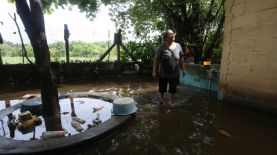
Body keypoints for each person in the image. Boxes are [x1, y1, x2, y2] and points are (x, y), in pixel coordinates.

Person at [152, 29, 186, 107]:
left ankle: (170, 102)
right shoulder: (161, 47)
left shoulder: (178, 45)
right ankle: (161, 97)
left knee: (172, 89)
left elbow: (181, 58)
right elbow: (156, 60)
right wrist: (154, 71)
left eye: (173, 33)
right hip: (163, 73)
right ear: (166, 37)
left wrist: (184, 69)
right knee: (162, 88)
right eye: (171, 34)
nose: (173, 35)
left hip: (174, 73)